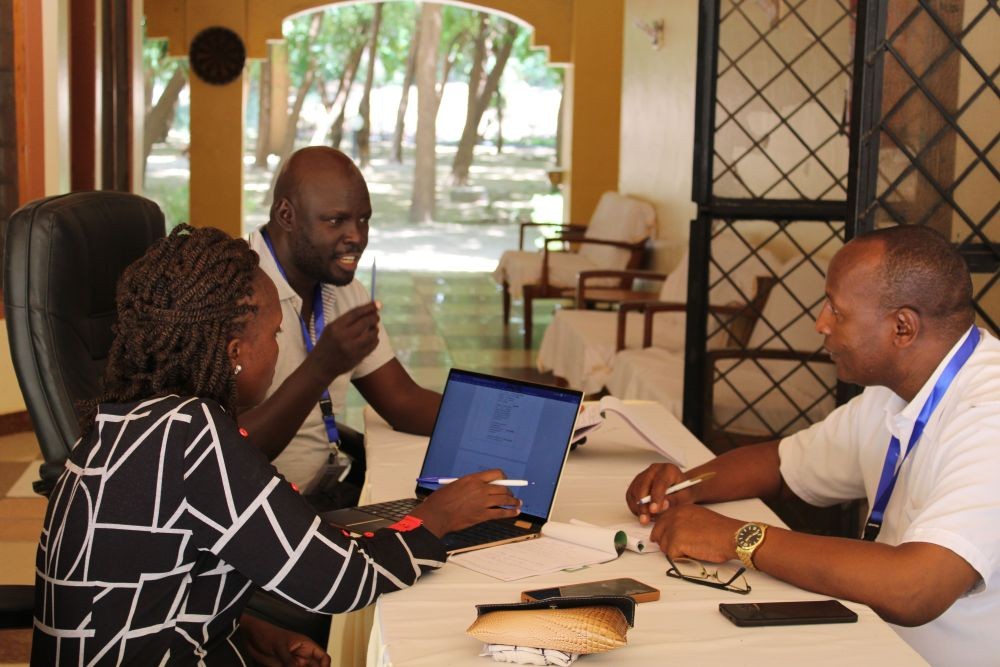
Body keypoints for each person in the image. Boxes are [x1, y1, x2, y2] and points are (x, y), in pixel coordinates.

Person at [32, 225, 522, 664]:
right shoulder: (192, 433)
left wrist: (247, 631)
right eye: (274, 335)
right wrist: (437, 517)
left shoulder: (119, 422)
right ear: (234, 352)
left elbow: (146, 582)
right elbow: (339, 581)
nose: (277, 349)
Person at [625, 225, 999, 666]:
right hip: (876, 641)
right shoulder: (895, 387)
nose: (820, 323)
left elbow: (915, 588)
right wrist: (687, 487)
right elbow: (783, 464)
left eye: (836, 311)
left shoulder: (987, 417)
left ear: (902, 327)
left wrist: (736, 537)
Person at [241, 146, 440, 507]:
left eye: (363, 220)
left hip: (322, 499)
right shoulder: (234, 291)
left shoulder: (344, 290)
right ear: (286, 214)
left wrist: (511, 425)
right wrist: (322, 366)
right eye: (336, 221)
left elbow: (401, 400)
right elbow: (224, 454)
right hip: (253, 512)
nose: (357, 237)